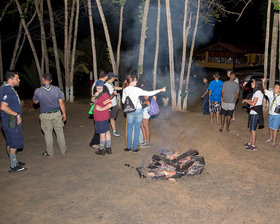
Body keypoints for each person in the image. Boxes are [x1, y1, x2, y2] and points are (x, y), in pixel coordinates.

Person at [122, 74, 166, 152]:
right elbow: (149, 93)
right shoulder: (137, 90)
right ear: (132, 82)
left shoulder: (125, 90)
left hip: (129, 111)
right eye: (135, 80)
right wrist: (160, 90)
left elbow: (123, 101)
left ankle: (128, 147)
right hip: (138, 110)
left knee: (130, 128)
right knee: (136, 128)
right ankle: (135, 148)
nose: (137, 81)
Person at [33, 73, 66, 156]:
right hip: (57, 114)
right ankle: (63, 150)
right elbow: (61, 103)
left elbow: (35, 102)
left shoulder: (38, 91)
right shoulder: (57, 89)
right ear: (51, 80)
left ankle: (50, 152)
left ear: (43, 79)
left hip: (45, 115)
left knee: (48, 133)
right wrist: (64, 113)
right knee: (60, 132)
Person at [0, 70, 27, 172]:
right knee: (14, 142)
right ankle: (13, 166)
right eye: (17, 79)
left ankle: (14, 161)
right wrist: (16, 114)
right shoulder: (7, 90)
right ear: (10, 80)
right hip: (11, 121)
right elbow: (3, 107)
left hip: (9, 120)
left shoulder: (7, 88)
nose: (19, 80)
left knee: (10, 142)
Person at [89, 71, 109, 149]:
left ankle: (106, 146)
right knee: (101, 131)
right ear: (106, 76)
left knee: (104, 130)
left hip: (103, 111)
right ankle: (97, 145)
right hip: (99, 111)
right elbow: (94, 99)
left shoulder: (98, 84)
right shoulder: (98, 85)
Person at [242, 79, 264, 151]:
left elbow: (253, 104)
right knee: (251, 128)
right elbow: (253, 101)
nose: (251, 83)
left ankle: (253, 145)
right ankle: (250, 142)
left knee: (253, 129)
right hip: (253, 112)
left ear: (257, 84)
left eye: (253, 82)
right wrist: (247, 100)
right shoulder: (256, 92)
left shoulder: (258, 92)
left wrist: (246, 100)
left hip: (255, 112)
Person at [92, 80, 113, 155]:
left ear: (103, 87)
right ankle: (108, 148)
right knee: (106, 132)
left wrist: (101, 109)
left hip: (101, 117)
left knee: (102, 134)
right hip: (102, 117)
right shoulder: (98, 94)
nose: (99, 89)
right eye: (97, 88)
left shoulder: (104, 95)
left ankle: (101, 149)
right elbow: (92, 100)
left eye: (100, 88)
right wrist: (95, 95)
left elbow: (110, 105)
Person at [262, 78, 280, 146]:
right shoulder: (271, 94)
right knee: (270, 127)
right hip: (271, 113)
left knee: (275, 128)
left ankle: (274, 141)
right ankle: (270, 138)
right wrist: (264, 83)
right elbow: (264, 90)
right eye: (275, 87)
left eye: (276, 88)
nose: (274, 89)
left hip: (277, 115)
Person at [104, 72, 122, 137]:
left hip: (114, 105)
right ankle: (105, 131)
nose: (114, 78)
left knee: (112, 118)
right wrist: (114, 93)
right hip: (110, 105)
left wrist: (122, 88)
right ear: (111, 78)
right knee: (107, 119)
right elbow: (109, 97)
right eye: (114, 77)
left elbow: (114, 87)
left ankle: (114, 131)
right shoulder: (106, 85)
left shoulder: (110, 83)